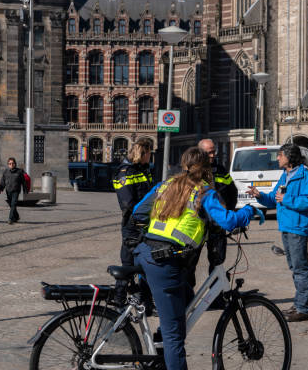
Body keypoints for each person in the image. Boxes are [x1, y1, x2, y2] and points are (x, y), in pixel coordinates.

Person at [132, 147, 259, 370]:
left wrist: (160, 227)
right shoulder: (203, 193)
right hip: (163, 263)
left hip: (146, 253)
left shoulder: (166, 185)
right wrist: (249, 211)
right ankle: (165, 352)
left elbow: (138, 212)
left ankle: (161, 348)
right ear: (206, 168)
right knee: (175, 337)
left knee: (187, 298)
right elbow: (228, 221)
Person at [246, 143, 308, 322]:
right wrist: (260, 195)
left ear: (289, 157)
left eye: (280, 155)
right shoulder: (285, 175)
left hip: (298, 227)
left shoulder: (304, 175)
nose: (277, 158)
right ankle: (299, 303)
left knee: (300, 268)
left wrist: (287, 199)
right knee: (294, 267)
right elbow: (274, 199)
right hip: (286, 226)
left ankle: (303, 308)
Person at [195, 139, 238, 307]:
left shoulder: (220, 170)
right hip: (197, 226)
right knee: (189, 265)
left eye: (214, 152)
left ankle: (216, 298)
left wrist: (229, 213)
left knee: (217, 262)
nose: (213, 155)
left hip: (217, 226)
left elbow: (232, 191)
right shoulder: (192, 171)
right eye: (209, 153)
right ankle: (187, 299)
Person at [111, 138, 153, 307]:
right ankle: (119, 298)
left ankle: (145, 300)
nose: (151, 157)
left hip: (146, 222)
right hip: (133, 224)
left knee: (146, 262)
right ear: (144, 153)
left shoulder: (143, 169)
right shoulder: (125, 171)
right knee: (128, 261)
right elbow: (127, 203)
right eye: (150, 153)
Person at [0, 157, 27, 225]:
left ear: (15, 164)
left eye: (12, 163)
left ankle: (10, 219)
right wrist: (0, 188)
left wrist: (25, 190)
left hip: (16, 190)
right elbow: (3, 181)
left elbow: (23, 182)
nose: (11, 164)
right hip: (8, 190)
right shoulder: (6, 171)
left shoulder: (19, 171)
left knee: (13, 204)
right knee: (11, 205)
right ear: (8, 164)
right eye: (10, 163)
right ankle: (16, 216)